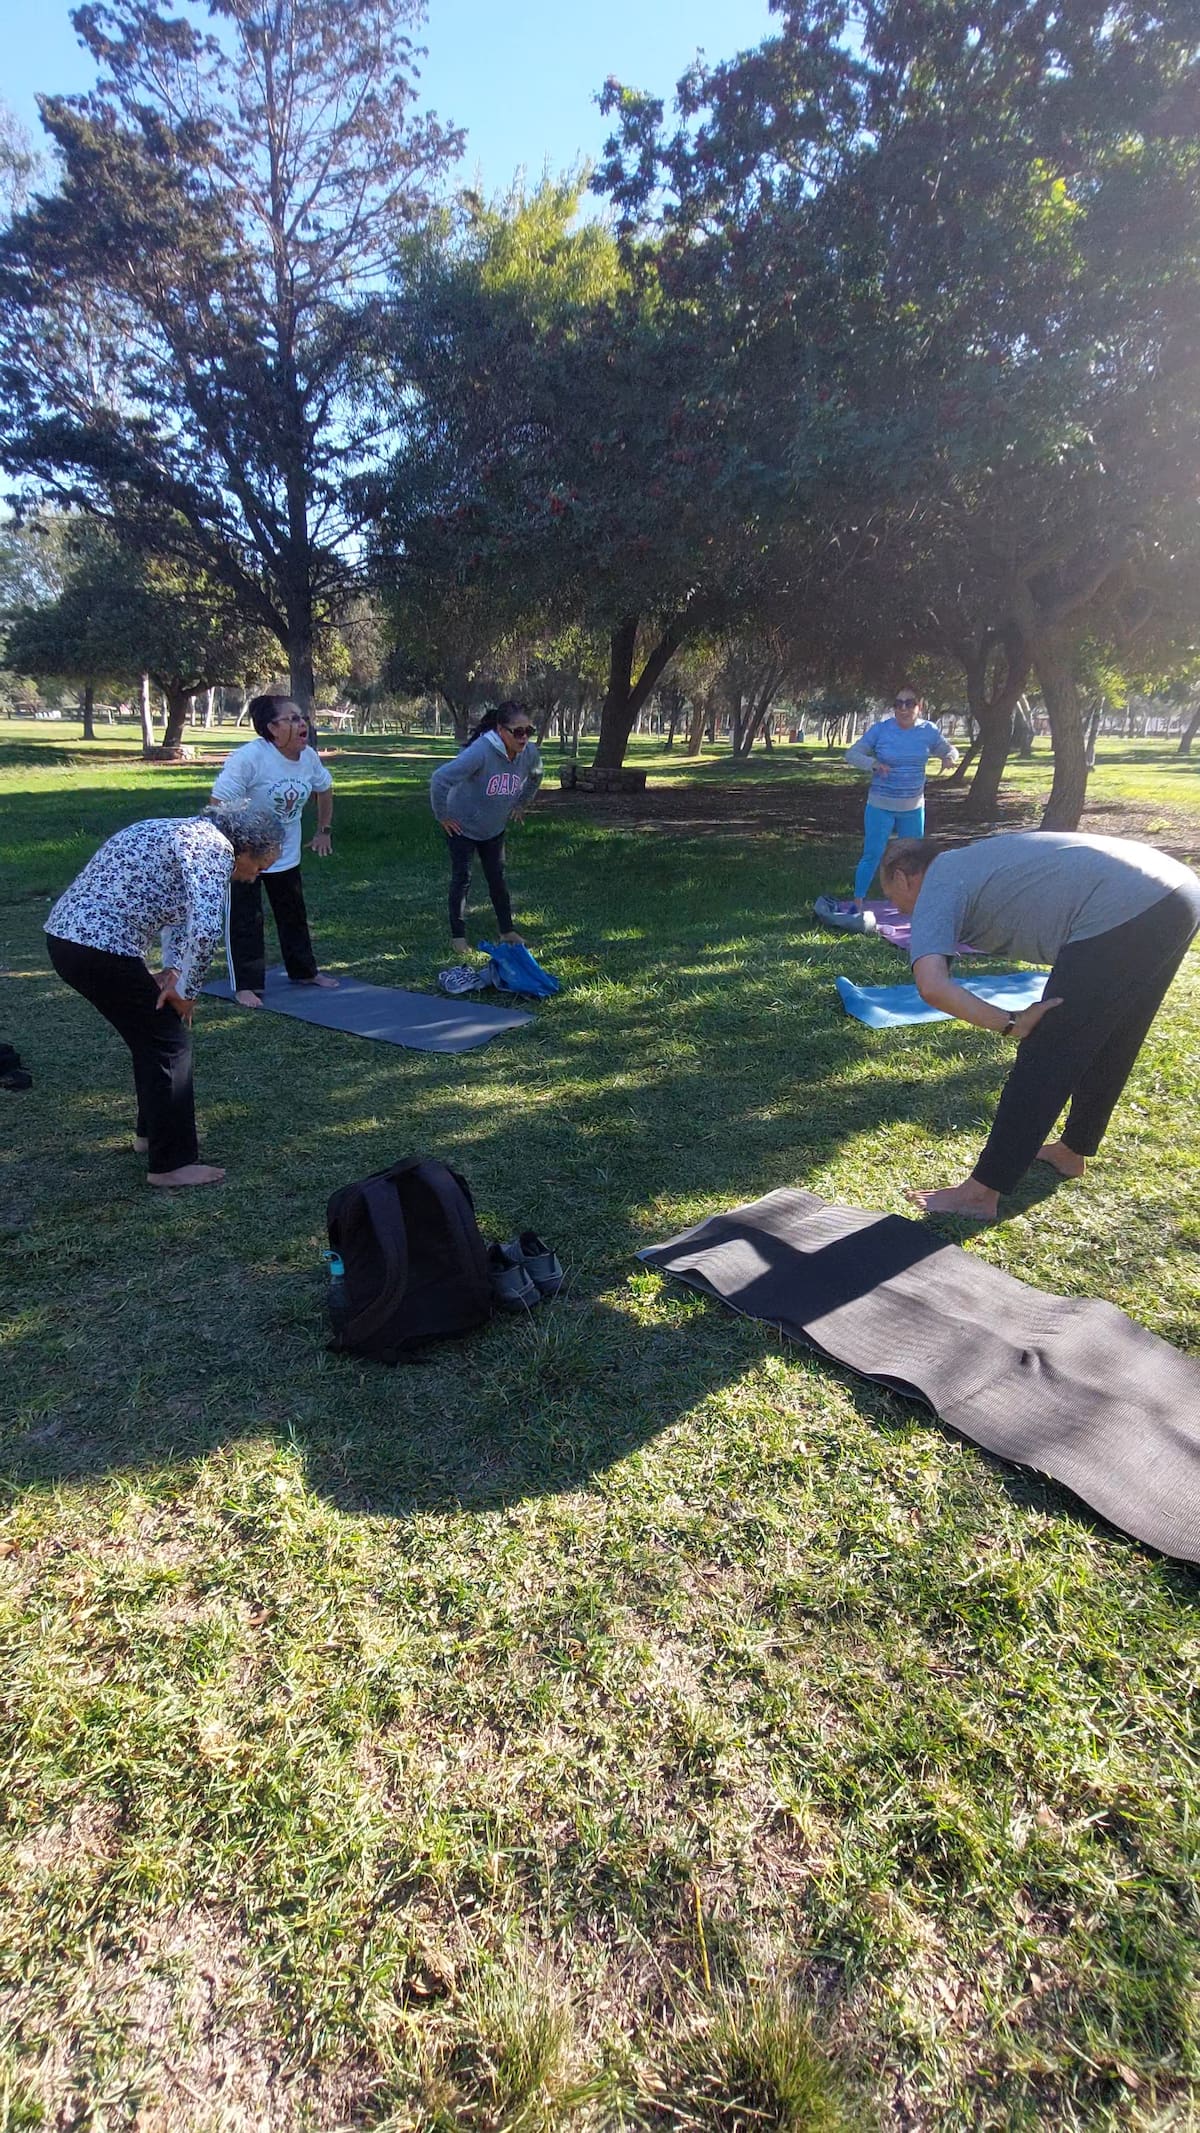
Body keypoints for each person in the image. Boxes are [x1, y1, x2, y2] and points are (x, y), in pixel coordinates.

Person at [880, 830, 1200, 1219]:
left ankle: (980, 1194)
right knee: (1116, 1035)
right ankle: (1072, 1150)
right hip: (1178, 892)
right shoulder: (969, 865)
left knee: (1048, 1047)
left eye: (893, 899)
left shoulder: (937, 881)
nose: (900, 912)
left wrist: (1010, 1023)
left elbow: (932, 986)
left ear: (903, 877)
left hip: (1127, 902)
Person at [44, 803, 283, 1188]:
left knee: (152, 1037)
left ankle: (151, 1136)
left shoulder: (180, 832)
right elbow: (205, 929)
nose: (258, 876)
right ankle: (170, 1165)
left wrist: (173, 972)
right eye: (260, 866)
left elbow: (180, 916)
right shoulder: (213, 847)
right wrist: (187, 992)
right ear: (244, 849)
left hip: (69, 939)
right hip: (97, 947)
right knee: (169, 1043)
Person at [211, 693, 339, 1007]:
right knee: (246, 918)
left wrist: (323, 830)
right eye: (292, 718)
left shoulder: (308, 757)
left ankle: (304, 972)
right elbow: (218, 804)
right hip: (245, 855)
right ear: (272, 728)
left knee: (293, 913)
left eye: (302, 717)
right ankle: (246, 985)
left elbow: (324, 789)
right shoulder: (250, 758)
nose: (302, 723)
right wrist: (238, 850)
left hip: (285, 852)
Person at [429, 702, 543, 954]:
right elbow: (440, 779)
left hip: (494, 828)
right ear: (501, 730)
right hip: (461, 826)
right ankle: (458, 937)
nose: (524, 738)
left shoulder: (529, 753)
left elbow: (536, 775)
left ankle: (507, 931)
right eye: (518, 732)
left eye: (528, 731)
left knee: (497, 878)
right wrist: (443, 816)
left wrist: (522, 803)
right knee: (462, 878)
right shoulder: (481, 752)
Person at [845, 687, 959, 910]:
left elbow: (950, 750)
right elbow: (852, 754)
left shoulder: (929, 730)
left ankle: (914, 903)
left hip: (913, 807)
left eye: (909, 703)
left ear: (919, 706)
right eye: (898, 704)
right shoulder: (881, 730)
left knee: (914, 858)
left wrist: (949, 757)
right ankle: (858, 902)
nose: (903, 709)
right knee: (872, 854)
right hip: (880, 805)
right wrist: (873, 764)